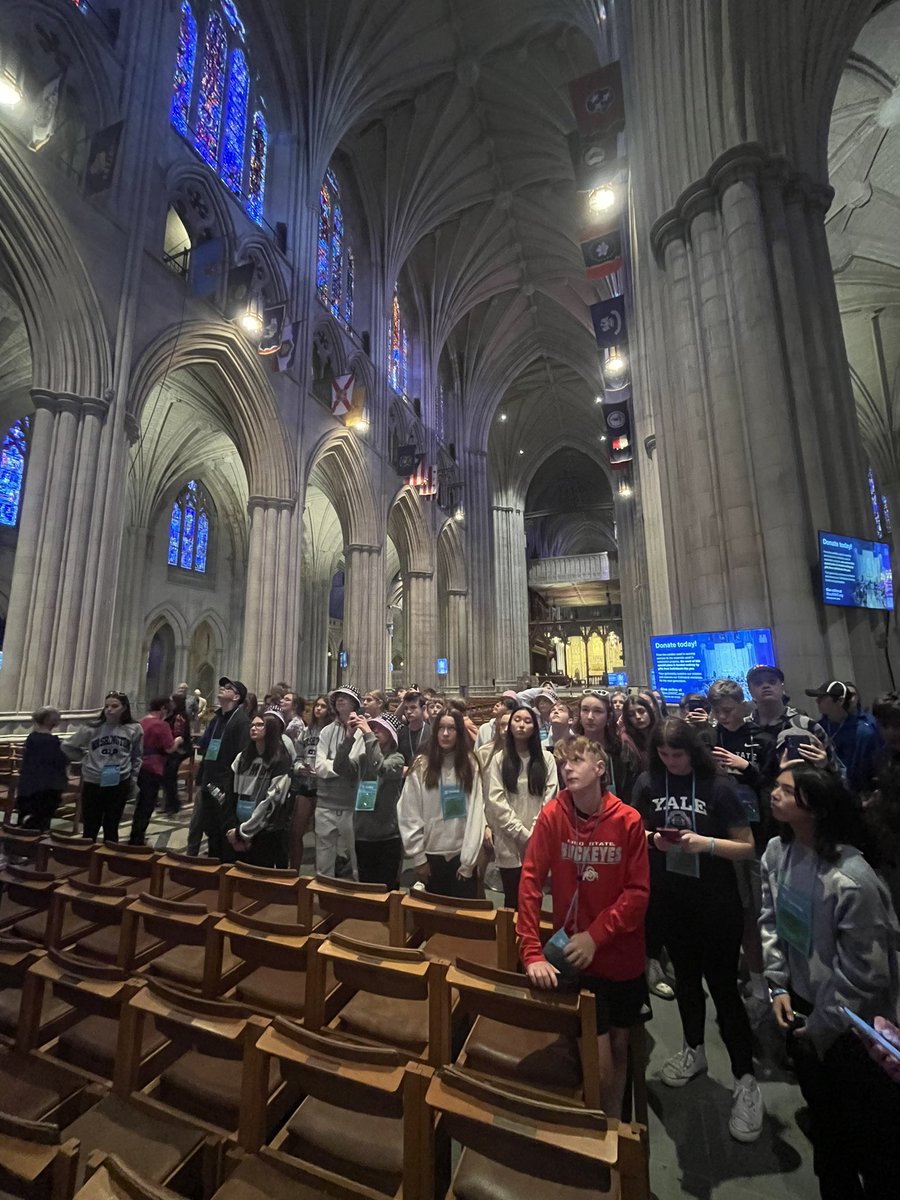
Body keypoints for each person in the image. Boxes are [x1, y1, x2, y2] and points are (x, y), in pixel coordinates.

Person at [761, 761, 900, 1196]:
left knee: (872, 1143)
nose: (775, 794)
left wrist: (819, 1026)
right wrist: (778, 984)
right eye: (777, 787)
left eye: (787, 790)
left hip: (853, 1029)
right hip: (802, 1008)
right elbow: (773, 924)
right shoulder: (778, 853)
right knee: (828, 1132)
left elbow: (863, 974)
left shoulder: (852, 880)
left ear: (816, 808)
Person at [632, 718, 764, 1142]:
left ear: (693, 752)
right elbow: (635, 833)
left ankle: (745, 1079)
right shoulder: (648, 782)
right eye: (665, 756)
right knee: (687, 982)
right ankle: (694, 1051)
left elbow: (746, 845)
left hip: (716, 901)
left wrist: (702, 844)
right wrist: (656, 840)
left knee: (724, 989)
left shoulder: (718, 787)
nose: (672, 763)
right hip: (672, 899)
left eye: (679, 755)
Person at [517, 736, 650, 1118]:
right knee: (599, 1062)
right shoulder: (553, 815)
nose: (567, 768)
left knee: (622, 1048)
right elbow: (529, 881)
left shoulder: (627, 820)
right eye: (563, 762)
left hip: (620, 955)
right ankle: (602, 1135)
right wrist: (530, 951)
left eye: (577, 760)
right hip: (575, 958)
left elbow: (638, 893)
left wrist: (597, 934)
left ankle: (617, 1137)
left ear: (600, 767)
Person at [707, 678, 778, 1019]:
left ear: (742, 704)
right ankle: (744, 970)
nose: (724, 716)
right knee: (734, 906)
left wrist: (745, 767)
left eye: (729, 709)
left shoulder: (760, 737)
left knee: (759, 910)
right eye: (718, 711)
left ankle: (764, 981)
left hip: (758, 833)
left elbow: (774, 782)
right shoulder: (709, 738)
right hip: (723, 832)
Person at [397, 708, 484, 898]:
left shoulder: (470, 764)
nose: (445, 734)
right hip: (431, 854)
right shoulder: (421, 765)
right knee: (435, 918)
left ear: (459, 732)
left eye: (451, 728)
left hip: (462, 855)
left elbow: (477, 812)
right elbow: (408, 813)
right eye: (441, 728)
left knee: (463, 919)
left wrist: (468, 862)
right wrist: (419, 858)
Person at [485, 703, 558, 908]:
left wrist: (534, 833)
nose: (521, 725)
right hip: (509, 841)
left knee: (534, 898)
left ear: (535, 727)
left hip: (539, 838)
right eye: (517, 720)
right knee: (512, 897)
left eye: (527, 721)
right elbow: (496, 799)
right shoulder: (500, 759)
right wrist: (522, 834)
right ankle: (511, 940)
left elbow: (550, 798)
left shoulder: (546, 759)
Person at [336, 711, 406, 888]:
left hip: (388, 836)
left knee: (387, 888)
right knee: (367, 888)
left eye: (379, 728)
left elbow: (380, 768)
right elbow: (339, 766)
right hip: (363, 834)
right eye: (372, 727)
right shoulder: (363, 759)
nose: (374, 730)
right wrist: (349, 739)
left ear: (391, 734)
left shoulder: (397, 759)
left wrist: (367, 735)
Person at [64, 691, 143, 843]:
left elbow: (136, 756)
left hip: (119, 779)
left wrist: (133, 777)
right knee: (90, 825)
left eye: (114, 706)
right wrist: (85, 759)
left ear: (124, 708)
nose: (109, 710)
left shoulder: (134, 728)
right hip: (94, 779)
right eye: (107, 706)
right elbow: (68, 746)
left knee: (112, 825)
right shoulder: (92, 727)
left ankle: (109, 858)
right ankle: (87, 861)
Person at [190, 677, 251, 859]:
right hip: (209, 780)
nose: (223, 689)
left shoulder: (241, 722)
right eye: (223, 686)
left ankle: (223, 872)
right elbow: (208, 748)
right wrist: (201, 779)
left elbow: (242, 757)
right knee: (210, 827)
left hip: (225, 784)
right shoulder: (217, 718)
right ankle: (212, 866)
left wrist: (229, 787)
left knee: (223, 828)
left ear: (236, 696)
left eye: (228, 688)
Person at [224, 710, 293, 868]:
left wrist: (244, 832)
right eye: (252, 725)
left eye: (260, 725)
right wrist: (233, 828)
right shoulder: (242, 758)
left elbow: (271, 803)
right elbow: (230, 795)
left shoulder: (280, 760)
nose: (253, 728)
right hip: (239, 825)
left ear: (271, 730)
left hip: (265, 831)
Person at [747, 664, 842, 774]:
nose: (766, 686)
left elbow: (838, 770)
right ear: (750, 690)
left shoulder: (805, 724)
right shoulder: (743, 727)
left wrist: (825, 764)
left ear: (782, 687)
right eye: (758, 683)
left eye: (772, 681)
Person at [315, 685, 363, 878]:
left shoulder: (361, 730)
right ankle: (323, 896)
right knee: (324, 857)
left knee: (356, 856)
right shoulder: (326, 731)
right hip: (325, 802)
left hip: (351, 803)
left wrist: (333, 764)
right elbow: (319, 766)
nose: (340, 700)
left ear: (354, 703)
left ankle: (360, 897)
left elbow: (358, 763)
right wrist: (341, 765)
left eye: (345, 697)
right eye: (337, 697)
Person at [804, 679, 881, 795]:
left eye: (823, 698)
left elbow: (865, 770)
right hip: (827, 791)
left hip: (856, 795)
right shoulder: (818, 727)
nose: (817, 701)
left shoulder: (862, 731)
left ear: (840, 701)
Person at [290, 694, 330, 871]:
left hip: (324, 787)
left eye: (323, 706)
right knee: (296, 831)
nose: (318, 709)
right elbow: (298, 755)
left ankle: (319, 874)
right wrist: (299, 768)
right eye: (316, 706)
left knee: (321, 836)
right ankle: (294, 871)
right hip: (305, 785)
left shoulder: (333, 731)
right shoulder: (306, 731)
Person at [129, 697, 174, 845]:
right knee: (147, 803)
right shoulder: (161, 725)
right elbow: (169, 747)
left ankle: (135, 833)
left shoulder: (140, 722)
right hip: (153, 767)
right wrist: (178, 741)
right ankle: (137, 838)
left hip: (138, 765)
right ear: (162, 709)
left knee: (140, 802)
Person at [16, 706, 68, 831]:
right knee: (40, 824)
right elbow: (60, 764)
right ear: (53, 722)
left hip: (28, 785)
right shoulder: (53, 742)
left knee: (25, 821)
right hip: (46, 788)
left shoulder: (31, 738)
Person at [161, 691, 191, 816]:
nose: (170, 703)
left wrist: (170, 746)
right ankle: (168, 803)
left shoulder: (180, 717)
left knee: (170, 771)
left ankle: (173, 804)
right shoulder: (171, 715)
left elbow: (179, 736)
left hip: (180, 749)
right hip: (171, 748)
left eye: (172, 701)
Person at [397, 691, 431, 766]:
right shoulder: (400, 733)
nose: (408, 712)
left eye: (413, 707)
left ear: (423, 709)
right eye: (406, 708)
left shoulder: (432, 733)